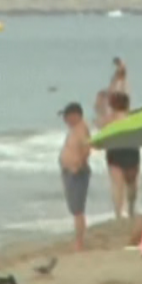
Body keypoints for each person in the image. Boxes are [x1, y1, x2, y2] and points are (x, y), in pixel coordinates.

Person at [102, 92, 142, 220]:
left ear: (112, 105)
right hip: (131, 151)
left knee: (117, 185)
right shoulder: (133, 118)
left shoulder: (109, 119)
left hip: (114, 152)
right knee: (132, 184)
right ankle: (131, 207)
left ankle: (119, 214)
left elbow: (102, 137)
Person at [59, 102, 91, 251]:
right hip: (70, 171)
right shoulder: (74, 129)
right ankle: (79, 240)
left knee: (78, 210)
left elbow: (86, 149)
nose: (65, 120)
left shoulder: (82, 129)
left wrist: (78, 165)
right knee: (74, 209)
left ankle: (79, 242)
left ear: (75, 115)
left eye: (67, 117)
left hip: (77, 172)